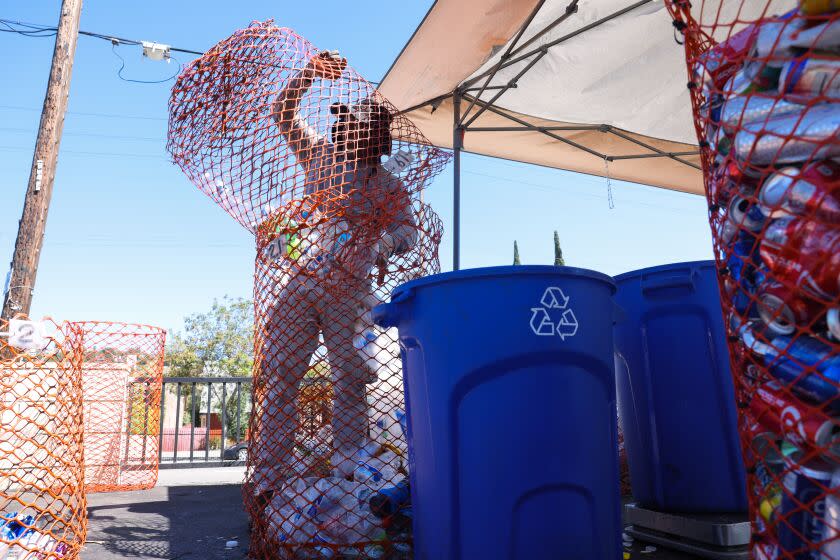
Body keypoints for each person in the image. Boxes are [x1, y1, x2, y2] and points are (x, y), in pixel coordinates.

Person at [251, 50, 416, 496]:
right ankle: (271, 478)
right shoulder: (319, 155)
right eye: (344, 119)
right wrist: (309, 74)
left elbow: (409, 232)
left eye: (355, 121)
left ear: (375, 137)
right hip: (302, 281)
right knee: (281, 376)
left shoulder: (388, 183)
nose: (344, 125)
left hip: (352, 290)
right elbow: (282, 113)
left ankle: (348, 474)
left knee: (351, 378)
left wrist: (382, 243)